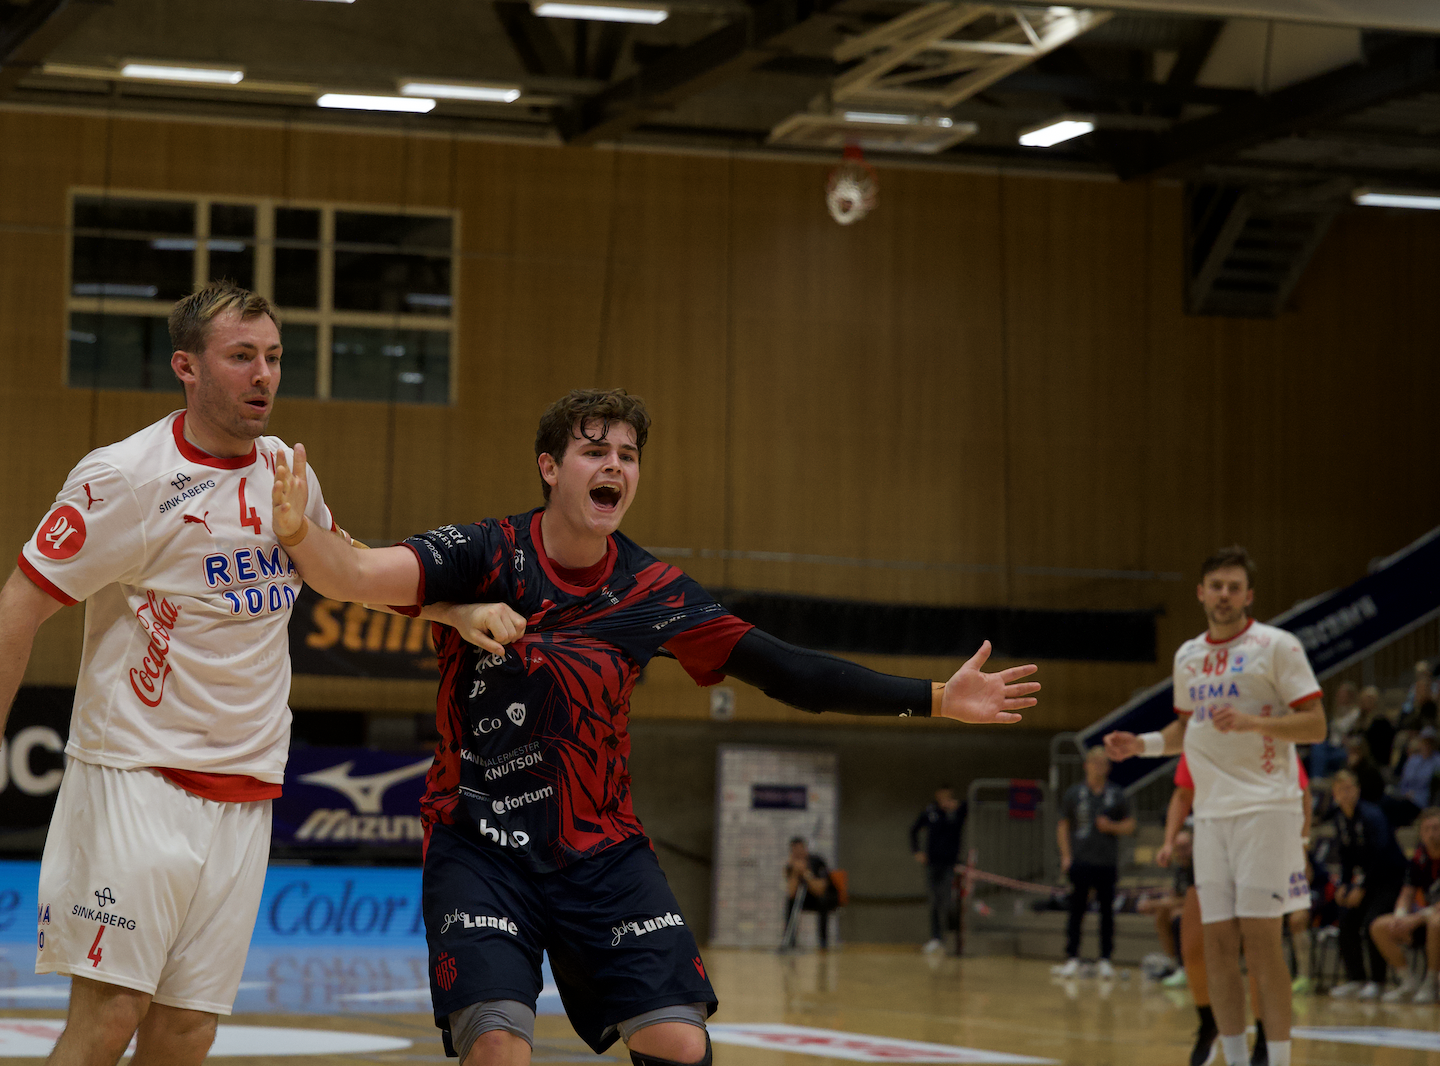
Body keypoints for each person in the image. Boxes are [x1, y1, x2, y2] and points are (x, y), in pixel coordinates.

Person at [269, 388, 1042, 1066]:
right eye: (594, 450)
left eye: (628, 455)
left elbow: (788, 671)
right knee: (498, 1043)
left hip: (601, 852)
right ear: (550, 467)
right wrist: (300, 533)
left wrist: (935, 697)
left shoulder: (655, 592)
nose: (614, 465)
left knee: (679, 1040)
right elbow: (354, 575)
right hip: (480, 847)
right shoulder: (483, 552)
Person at [0, 281, 339, 1066]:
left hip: (246, 788)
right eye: (242, 356)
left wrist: (454, 608)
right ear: (187, 367)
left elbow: (345, 568)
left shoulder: (287, 471)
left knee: (188, 1030)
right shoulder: (126, 477)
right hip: (135, 777)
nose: (264, 375)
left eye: (274, 356)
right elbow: (19, 604)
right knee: (110, 1016)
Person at [1106, 546, 1326, 1066]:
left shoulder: (1277, 646)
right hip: (1211, 817)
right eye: (1216, 586)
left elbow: (1316, 725)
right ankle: (1232, 1056)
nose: (1224, 595)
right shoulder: (1188, 656)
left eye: (1234, 587)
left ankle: (1277, 1060)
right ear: (1201, 593)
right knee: (1218, 945)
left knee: (1261, 942)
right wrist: (1142, 745)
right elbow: (1187, 728)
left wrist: (1255, 723)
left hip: (1266, 809)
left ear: (1248, 596)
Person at [1159, 751, 1313, 1066]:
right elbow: (1183, 793)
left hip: (1260, 841)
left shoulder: (1266, 732)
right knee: (1193, 947)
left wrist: (1302, 844)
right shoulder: (1201, 734)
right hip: (1214, 841)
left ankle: (1265, 1037)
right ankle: (1209, 1022)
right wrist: (1168, 840)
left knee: (1259, 952)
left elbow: (1303, 792)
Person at [1055, 746, 1135, 979]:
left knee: (1107, 912)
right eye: (1095, 763)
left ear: (1109, 767)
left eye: (1104, 763)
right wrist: (1066, 856)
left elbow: (1130, 825)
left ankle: (1105, 959)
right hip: (1080, 860)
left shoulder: (1116, 794)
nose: (1099, 767)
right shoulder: (1074, 794)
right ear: (1086, 766)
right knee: (1076, 910)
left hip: (1106, 862)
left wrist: (1112, 827)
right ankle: (1072, 957)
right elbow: (1063, 826)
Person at [1328, 768, 1407, 999]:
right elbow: (1346, 856)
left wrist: (1361, 888)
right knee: (1346, 919)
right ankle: (1356, 979)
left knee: (1372, 920)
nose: (1346, 793)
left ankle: (1377, 981)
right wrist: (1344, 885)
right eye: (1341, 789)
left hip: (1389, 878)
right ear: (1334, 794)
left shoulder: (1372, 815)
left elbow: (1380, 855)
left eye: (1349, 788)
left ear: (1357, 790)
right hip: (1368, 880)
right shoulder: (1339, 818)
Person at [1370, 806, 1440, 1004]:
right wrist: (1400, 916)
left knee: (1436, 923)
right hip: (1424, 917)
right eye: (1426, 829)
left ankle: (1431, 983)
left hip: (1432, 919)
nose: (1431, 834)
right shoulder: (1419, 857)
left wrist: (1415, 919)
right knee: (1379, 926)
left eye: (1436, 828)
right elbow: (1407, 893)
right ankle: (1408, 982)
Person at [910, 785, 966, 954]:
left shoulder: (956, 812)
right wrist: (917, 851)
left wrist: (956, 807)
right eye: (941, 796)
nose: (944, 800)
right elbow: (913, 830)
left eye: (947, 796)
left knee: (949, 902)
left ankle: (952, 938)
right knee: (934, 902)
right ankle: (936, 938)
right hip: (932, 864)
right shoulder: (930, 812)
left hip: (950, 864)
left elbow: (969, 807)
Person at [782, 838, 839, 950]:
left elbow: (820, 889)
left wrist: (805, 873)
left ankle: (823, 941)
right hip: (807, 898)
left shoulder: (817, 861)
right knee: (790, 902)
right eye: (795, 850)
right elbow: (791, 893)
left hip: (825, 896)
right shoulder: (792, 866)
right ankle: (790, 941)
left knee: (823, 900)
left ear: (805, 849)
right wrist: (794, 873)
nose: (798, 853)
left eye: (800, 849)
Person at [1388, 727, 1440, 828]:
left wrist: (1413, 795)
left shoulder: (1437, 761)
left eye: (1430, 742)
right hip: (1404, 795)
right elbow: (1404, 781)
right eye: (1424, 742)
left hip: (1421, 800)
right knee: (1387, 801)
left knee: (1400, 806)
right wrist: (1405, 793)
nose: (1427, 745)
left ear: (1434, 744)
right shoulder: (1413, 760)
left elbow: (1432, 786)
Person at [1355, 685, 1395, 771]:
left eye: (1370, 699)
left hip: (1376, 762)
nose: (1367, 702)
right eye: (1365, 699)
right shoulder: (1360, 720)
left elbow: (1378, 746)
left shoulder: (1381, 721)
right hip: (1362, 759)